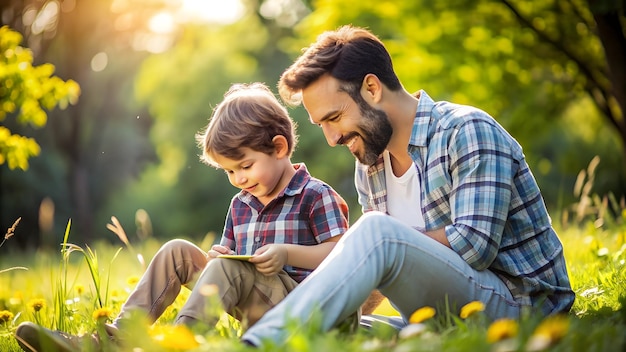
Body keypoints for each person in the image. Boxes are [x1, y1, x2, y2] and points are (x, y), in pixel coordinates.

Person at [239, 25, 575, 347]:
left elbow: (474, 246)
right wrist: (345, 308)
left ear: (372, 88)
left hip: (523, 309)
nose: (332, 138)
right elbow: (381, 260)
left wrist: (385, 245)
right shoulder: (371, 164)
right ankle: (285, 332)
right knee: (339, 329)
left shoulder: (465, 130)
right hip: (436, 316)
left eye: (334, 117)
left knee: (376, 230)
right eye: (321, 125)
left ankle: (265, 342)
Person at [14, 82, 350, 351]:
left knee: (225, 267)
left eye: (245, 166)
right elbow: (227, 262)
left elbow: (344, 257)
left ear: (279, 148)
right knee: (176, 249)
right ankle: (110, 342)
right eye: (229, 171)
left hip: (303, 309)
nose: (239, 179)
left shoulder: (314, 195)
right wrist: (222, 257)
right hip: (254, 301)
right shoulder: (241, 204)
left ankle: (178, 344)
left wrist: (286, 254)